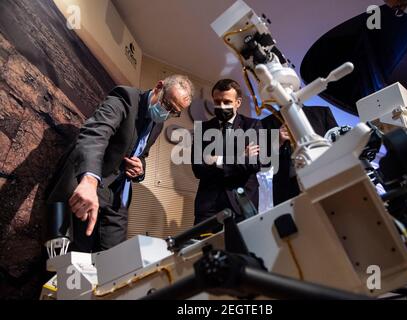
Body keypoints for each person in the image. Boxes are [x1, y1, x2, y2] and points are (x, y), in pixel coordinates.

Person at [46, 75, 194, 252]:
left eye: (174, 112)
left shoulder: (158, 125)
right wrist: (89, 181)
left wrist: (140, 169)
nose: (167, 113)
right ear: (158, 87)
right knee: (76, 257)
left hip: (118, 200)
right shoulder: (125, 98)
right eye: (168, 105)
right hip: (91, 187)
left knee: (114, 260)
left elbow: (141, 154)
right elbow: (95, 134)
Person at [192, 79, 262, 225]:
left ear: (238, 102)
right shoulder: (202, 128)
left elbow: (255, 164)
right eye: (217, 101)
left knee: (241, 246)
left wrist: (216, 160)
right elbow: (198, 168)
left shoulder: (252, 126)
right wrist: (240, 158)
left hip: (243, 203)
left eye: (227, 102)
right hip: (208, 205)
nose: (221, 106)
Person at [261, 106, 338, 206]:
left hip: (326, 178)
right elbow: (262, 162)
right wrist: (277, 141)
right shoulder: (265, 123)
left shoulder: (322, 112)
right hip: (289, 189)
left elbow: (338, 143)